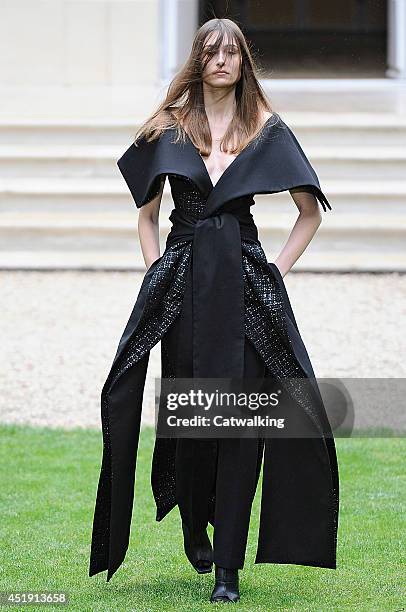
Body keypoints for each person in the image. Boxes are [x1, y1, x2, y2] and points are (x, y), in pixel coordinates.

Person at [89, 17, 339, 605]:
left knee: (244, 426)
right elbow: (147, 216)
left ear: (243, 61)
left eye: (232, 51)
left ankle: (228, 565)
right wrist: (158, 273)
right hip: (185, 288)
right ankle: (194, 527)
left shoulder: (266, 130)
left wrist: (274, 270)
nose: (222, 59)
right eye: (212, 50)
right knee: (195, 422)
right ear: (197, 60)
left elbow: (310, 212)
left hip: (247, 291)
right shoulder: (169, 128)